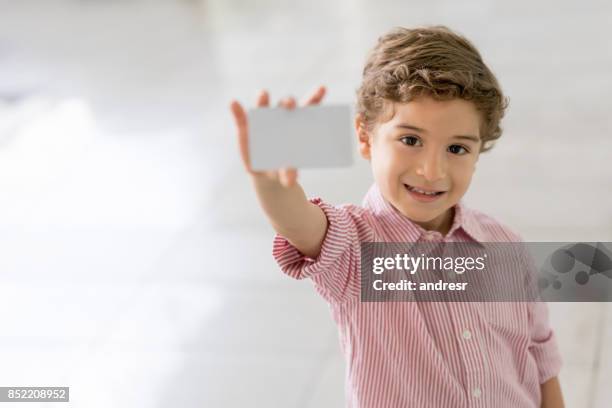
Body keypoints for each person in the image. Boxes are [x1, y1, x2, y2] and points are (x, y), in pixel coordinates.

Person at [229, 25, 564, 408]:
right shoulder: (355, 249)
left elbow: (539, 355)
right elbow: (299, 223)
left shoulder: (504, 244)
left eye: (456, 148)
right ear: (365, 136)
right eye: (410, 140)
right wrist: (271, 185)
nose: (431, 171)